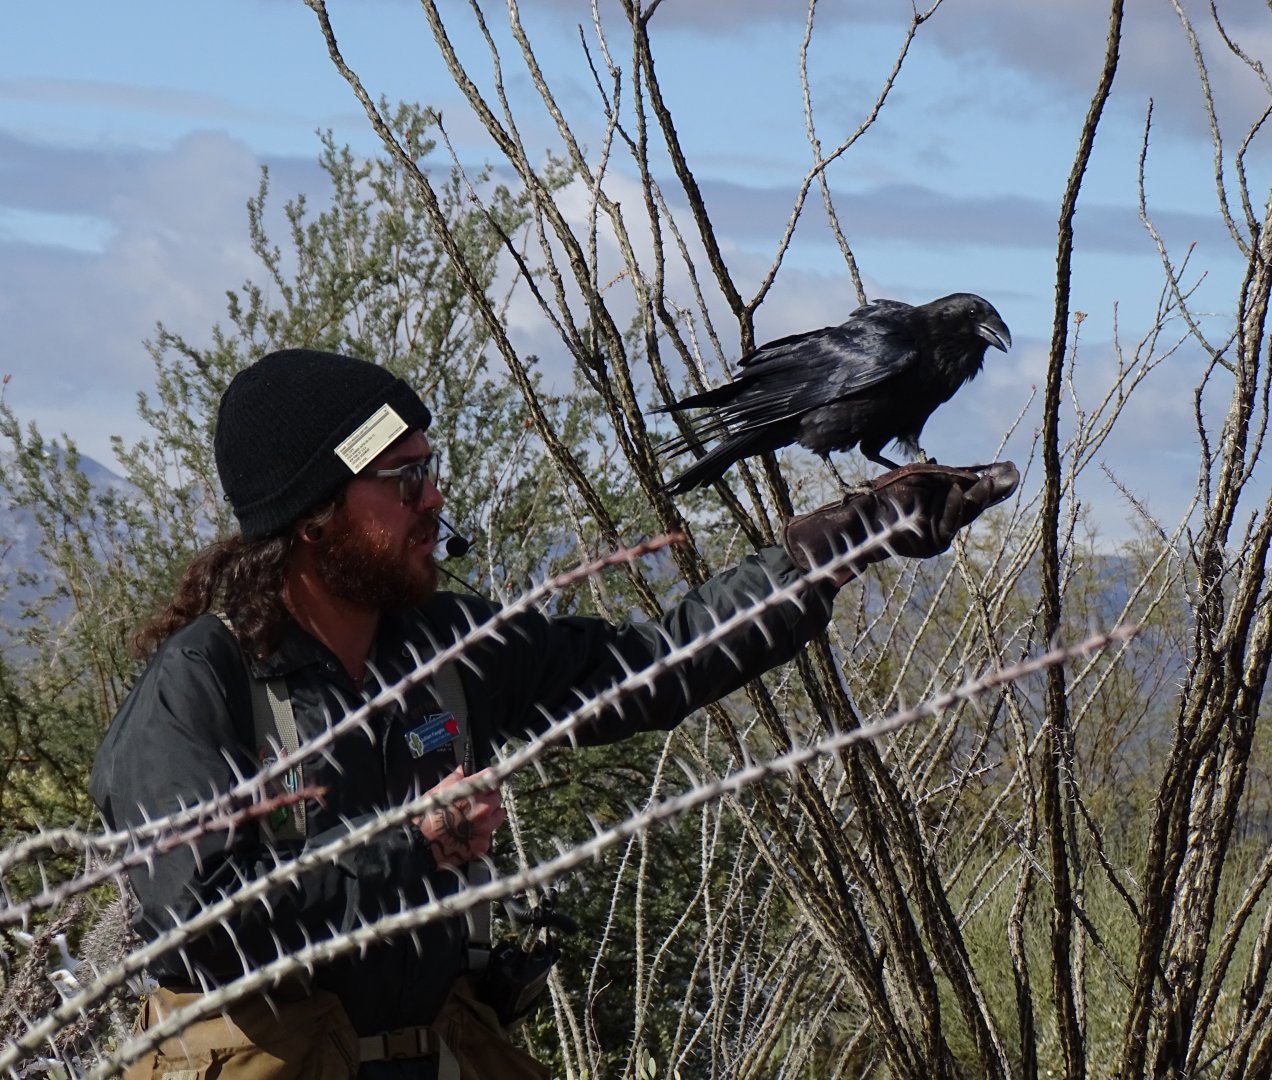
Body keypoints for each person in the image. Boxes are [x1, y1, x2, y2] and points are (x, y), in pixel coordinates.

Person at [90, 348, 1017, 1079]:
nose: (435, 498)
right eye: (403, 479)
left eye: (431, 468)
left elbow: (649, 667)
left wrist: (841, 544)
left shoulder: (441, 645)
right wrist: (406, 845)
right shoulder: (200, 684)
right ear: (312, 515)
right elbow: (201, 924)